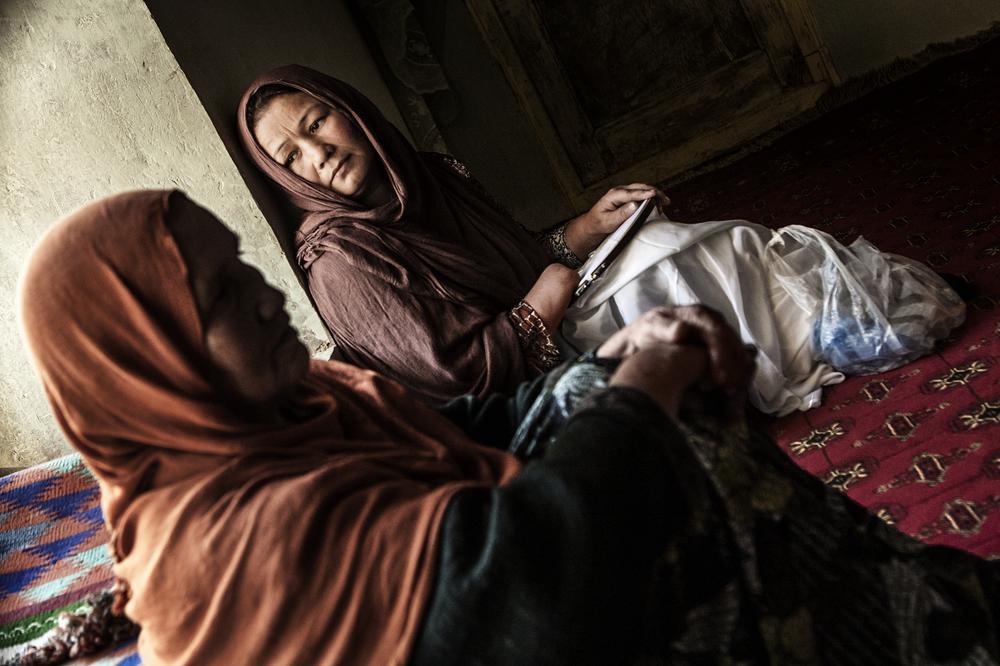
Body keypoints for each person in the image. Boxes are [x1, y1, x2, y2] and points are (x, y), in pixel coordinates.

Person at [19, 190, 1000, 665]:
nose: (267, 297)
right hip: (523, 627)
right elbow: (536, 600)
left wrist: (617, 366)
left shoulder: (301, 405)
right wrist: (638, 389)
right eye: (221, 297)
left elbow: (459, 417)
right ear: (143, 362)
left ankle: (918, 609)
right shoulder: (228, 544)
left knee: (640, 367)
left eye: (245, 267)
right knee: (677, 462)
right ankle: (920, 624)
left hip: (535, 422)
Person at [238, 66, 966, 415]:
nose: (317, 155)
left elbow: (518, 260)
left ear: (352, 111)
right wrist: (541, 305)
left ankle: (836, 320)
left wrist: (585, 229)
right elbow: (455, 379)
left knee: (703, 242)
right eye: (290, 156)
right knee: (678, 264)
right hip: (527, 396)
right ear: (282, 177)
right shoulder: (342, 259)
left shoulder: (430, 176)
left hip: (560, 323)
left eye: (317, 124)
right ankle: (831, 328)